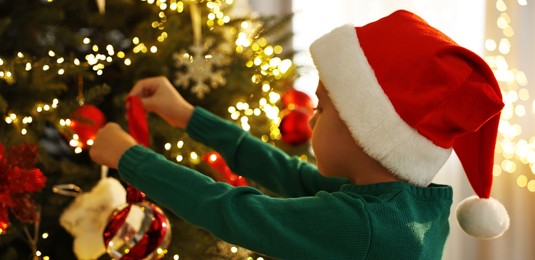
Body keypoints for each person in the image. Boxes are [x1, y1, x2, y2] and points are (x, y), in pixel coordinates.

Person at [90, 10, 510, 259]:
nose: (310, 118)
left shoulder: (362, 226)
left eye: (323, 108)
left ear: (369, 133)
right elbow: (289, 174)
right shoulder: (403, 203)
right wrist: (187, 116)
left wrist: (132, 158)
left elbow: (231, 211)